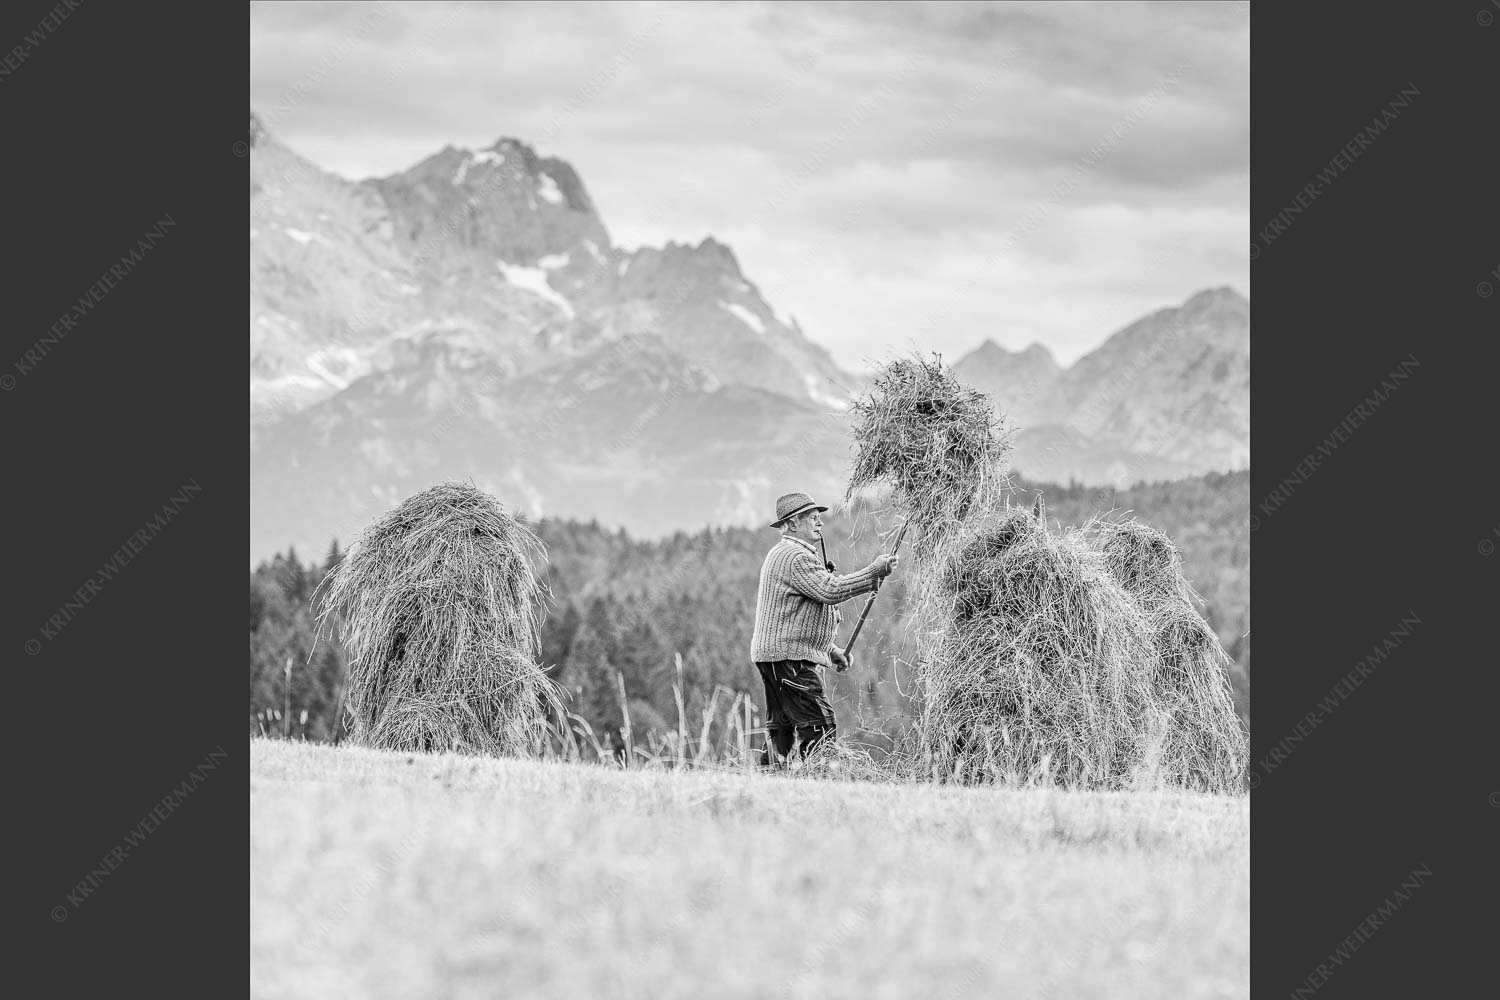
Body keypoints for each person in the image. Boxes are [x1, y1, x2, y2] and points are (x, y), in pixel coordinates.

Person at [749, 492, 899, 767]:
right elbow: (828, 590)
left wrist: (830, 651)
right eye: (813, 519)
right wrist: (874, 572)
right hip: (790, 659)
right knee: (819, 723)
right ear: (792, 524)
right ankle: (816, 779)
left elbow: (794, 617)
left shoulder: (788, 554)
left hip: (777, 656)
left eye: (819, 518)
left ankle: (770, 780)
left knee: (782, 730)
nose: (820, 524)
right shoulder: (794, 556)